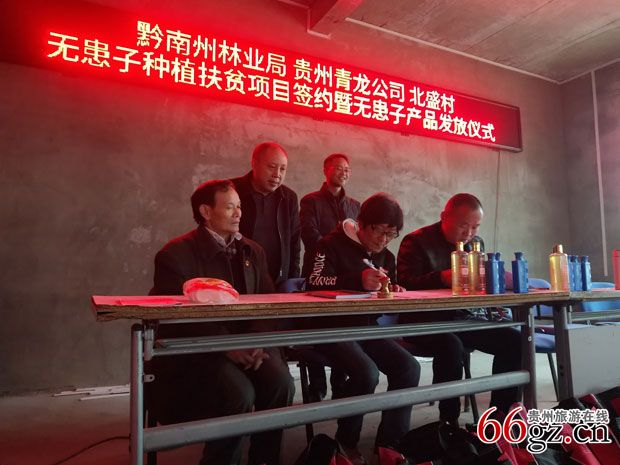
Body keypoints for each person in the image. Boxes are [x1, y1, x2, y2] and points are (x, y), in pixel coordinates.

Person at [149, 179, 294, 465]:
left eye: (239, 206)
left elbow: (267, 303)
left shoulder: (253, 251)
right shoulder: (175, 255)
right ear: (206, 211)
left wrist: (255, 342)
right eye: (229, 207)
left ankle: (265, 460)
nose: (238, 213)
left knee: (282, 383)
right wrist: (226, 346)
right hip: (201, 349)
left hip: (248, 345)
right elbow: (175, 318)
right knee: (240, 393)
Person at [305, 192, 420, 464]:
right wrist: (357, 280)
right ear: (361, 224)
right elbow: (313, 282)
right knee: (366, 373)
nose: (383, 240)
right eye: (379, 231)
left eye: (391, 234)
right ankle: (346, 440)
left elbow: (385, 293)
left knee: (409, 367)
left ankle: (390, 443)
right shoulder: (328, 245)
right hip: (329, 328)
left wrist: (392, 290)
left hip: (366, 328)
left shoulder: (386, 257)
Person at [397, 193, 521, 424]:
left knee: (515, 341)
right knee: (451, 345)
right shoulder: (416, 242)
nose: (469, 233)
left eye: (475, 226)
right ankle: (449, 422)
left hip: (463, 318)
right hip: (423, 321)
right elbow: (403, 283)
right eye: (463, 225)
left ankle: (500, 419)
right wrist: (440, 278)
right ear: (444, 217)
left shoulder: (476, 244)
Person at [300, 153, 360, 402]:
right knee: (317, 327)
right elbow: (308, 234)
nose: (343, 172)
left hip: (346, 275)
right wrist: (332, 253)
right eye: (338, 168)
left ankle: (340, 384)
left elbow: (358, 240)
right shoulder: (311, 201)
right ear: (326, 170)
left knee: (343, 326)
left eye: (347, 169)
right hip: (318, 271)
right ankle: (316, 386)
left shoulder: (355, 206)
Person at [231, 141, 301, 288]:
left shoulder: (289, 197)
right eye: (271, 167)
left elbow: (294, 242)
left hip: (279, 281)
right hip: (239, 277)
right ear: (254, 164)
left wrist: (293, 281)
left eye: (283, 169)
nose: (277, 175)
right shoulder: (232, 191)